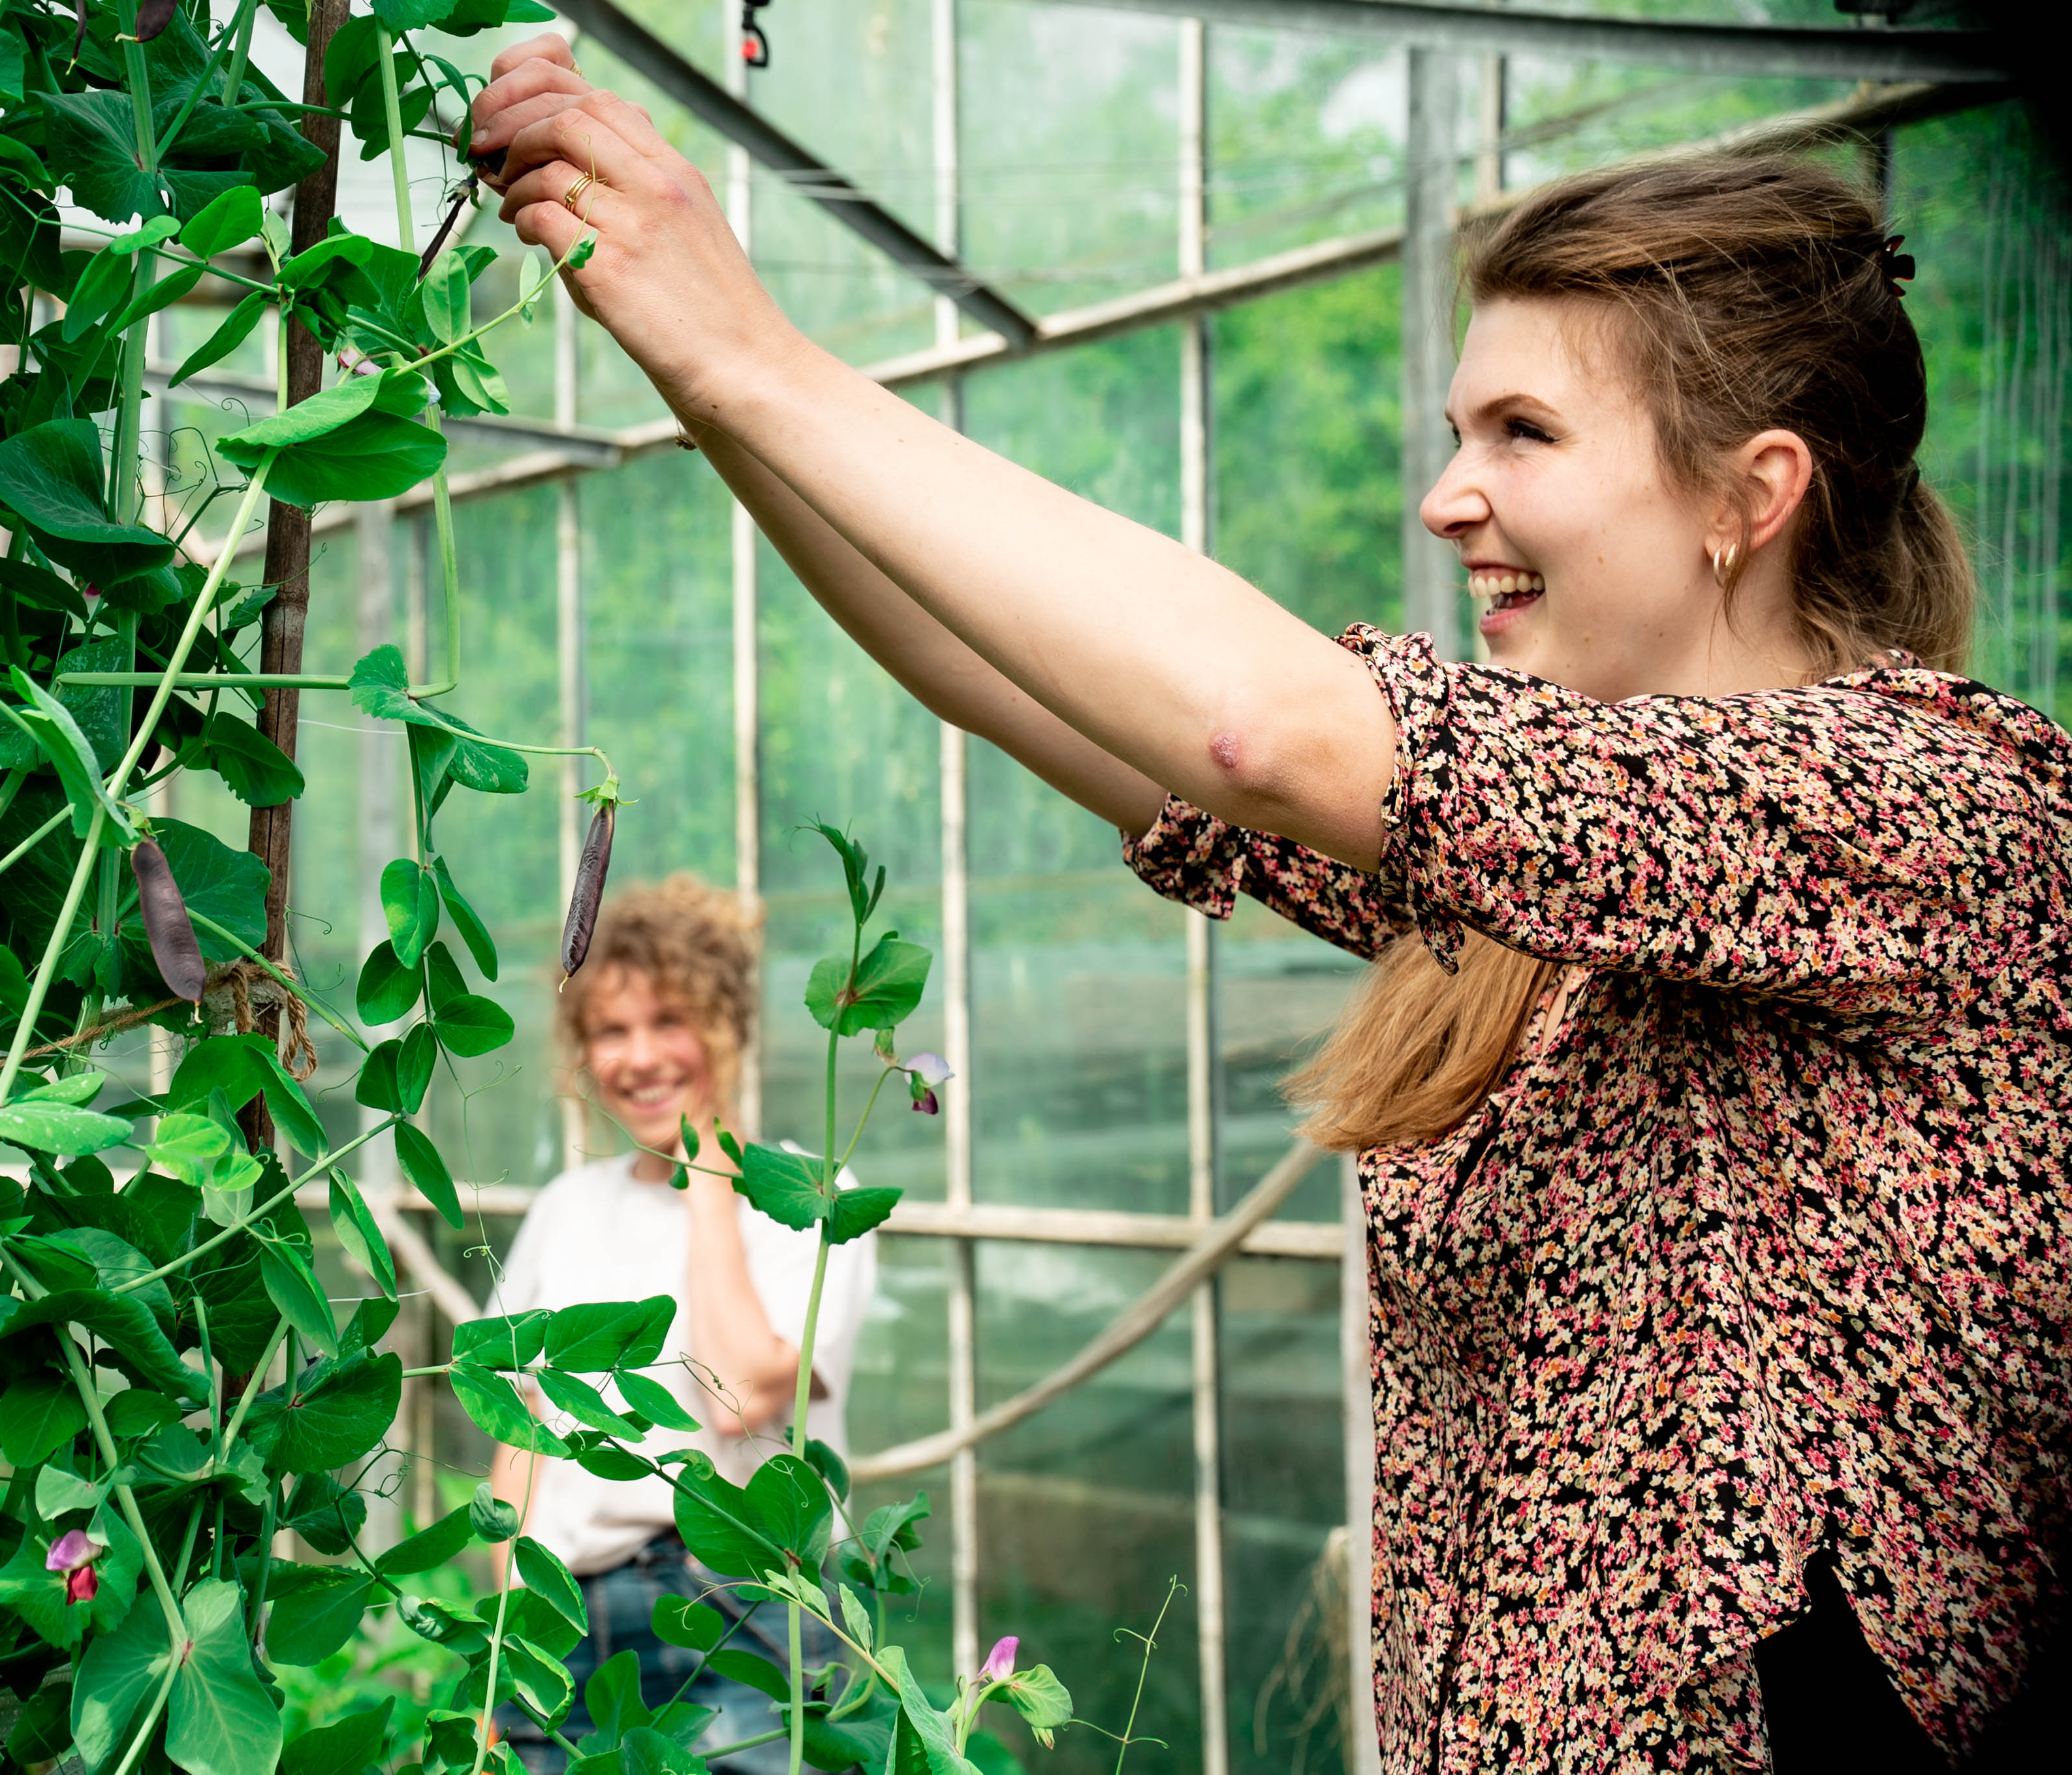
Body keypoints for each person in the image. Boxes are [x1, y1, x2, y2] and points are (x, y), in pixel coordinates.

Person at [466, 44, 2069, 1775]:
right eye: (1460, 430)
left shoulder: (1936, 801)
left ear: (1754, 495)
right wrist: (695, 355)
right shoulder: (1542, 890)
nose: (1449, 494)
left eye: (1523, 433)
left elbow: (1264, 729)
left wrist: (752, 349)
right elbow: (1008, 676)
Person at [484, 875, 873, 1772]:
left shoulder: (811, 1196)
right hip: (568, 1619)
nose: (641, 1056)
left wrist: (709, 1183)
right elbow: (523, 1432)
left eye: (670, 1021)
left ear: (725, 1027)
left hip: (743, 1603)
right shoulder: (566, 1207)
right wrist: (506, 1635)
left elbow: (738, 1395)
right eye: (611, 1032)